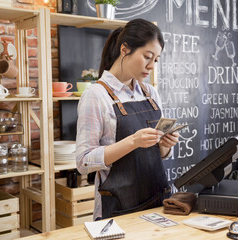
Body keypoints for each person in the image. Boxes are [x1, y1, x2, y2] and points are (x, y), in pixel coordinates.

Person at [76, 19, 179, 220]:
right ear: (125, 49)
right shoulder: (96, 96)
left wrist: (166, 145)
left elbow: (159, 154)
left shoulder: (150, 93)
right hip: (118, 208)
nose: (151, 66)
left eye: (155, 60)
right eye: (147, 57)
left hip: (156, 203)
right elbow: (83, 161)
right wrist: (133, 142)